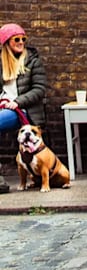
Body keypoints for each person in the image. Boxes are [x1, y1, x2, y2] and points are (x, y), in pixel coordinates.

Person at [0, 23, 47, 193]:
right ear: (6, 43)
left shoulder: (33, 61)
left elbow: (39, 89)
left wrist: (18, 102)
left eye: (23, 39)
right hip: (5, 107)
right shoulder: (1, 63)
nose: (21, 42)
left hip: (25, 111)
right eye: (16, 39)